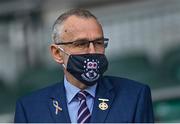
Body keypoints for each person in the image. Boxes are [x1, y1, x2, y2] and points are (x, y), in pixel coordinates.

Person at [14, 8, 154, 123]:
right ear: (57, 53)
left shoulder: (134, 96)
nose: (92, 51)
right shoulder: (30, 108)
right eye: (81, 44)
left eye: (98, 43)